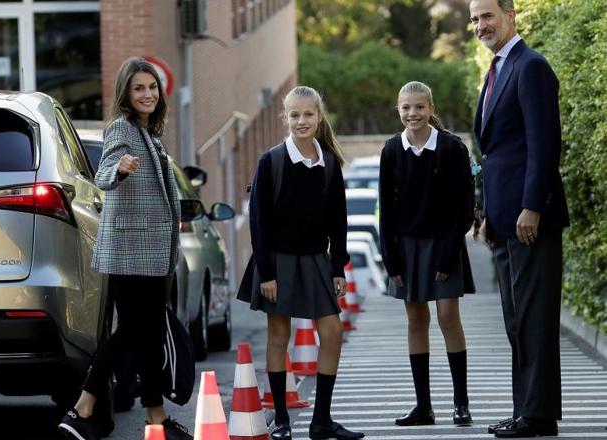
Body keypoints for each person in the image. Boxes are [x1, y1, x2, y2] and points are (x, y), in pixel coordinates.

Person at [58, 56, 191, 440]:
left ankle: (156, 419)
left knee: (144, 336)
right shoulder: (123, 129)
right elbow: (104, 172)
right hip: (132, 253)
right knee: (131, 333)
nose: (147, 94)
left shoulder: (150, 133)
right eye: (139, 88)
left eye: (152, 87)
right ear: (126, 94)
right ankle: (82, 406)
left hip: (149, 254)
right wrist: (119, 169)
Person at [238, 86, 364, 440]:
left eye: (308, 114)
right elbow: (258, 222)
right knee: (279, 335)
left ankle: (321, 420)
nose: (301, 121)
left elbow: (339, 219)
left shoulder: (328, 164)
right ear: (286, 118)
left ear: (319, 117)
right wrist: (266, 272)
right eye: (294, 115)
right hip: (277, 262)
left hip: (316, 261)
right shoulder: (271, 161)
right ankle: (281, 421)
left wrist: (338, 265)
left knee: (333, 333)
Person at [470, 0, 569, 437]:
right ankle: (525, 409)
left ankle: (539, 415)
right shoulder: (495, 70)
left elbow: (544, 145)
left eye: (487, 16)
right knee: (515, 320)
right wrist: (487, 214)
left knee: (534, 319)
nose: (480, 25)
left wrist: (532, 205)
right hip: (505, 221)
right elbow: (495, 152)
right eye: (473, 19)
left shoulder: (531, 67)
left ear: (511, 16)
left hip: (532, 218)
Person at [379, 81, 476, 428]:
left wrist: (449, 253)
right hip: (405, 247)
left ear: (432, 109)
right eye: (406, 108)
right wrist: (391, 258)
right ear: (398, 110)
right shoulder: (391, 150)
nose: (412, 114)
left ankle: (461, 404)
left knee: (448, 316)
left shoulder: (452, 148)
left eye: (419, 107)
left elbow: (465, 206)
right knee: (416, 320)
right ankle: (424, 406)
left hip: (444, 244)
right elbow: (386, 210)